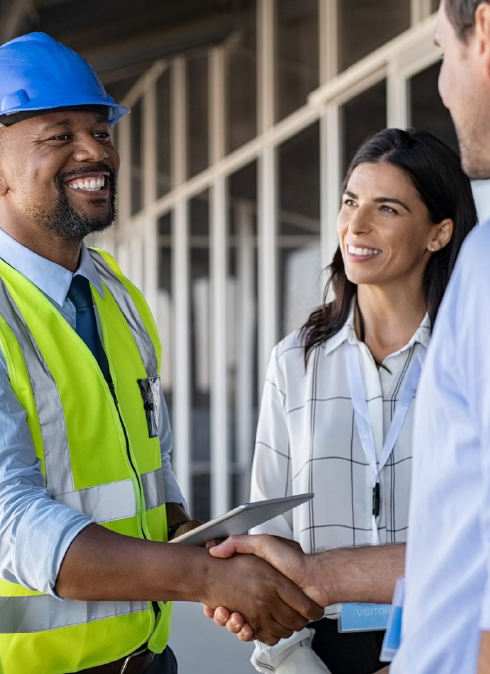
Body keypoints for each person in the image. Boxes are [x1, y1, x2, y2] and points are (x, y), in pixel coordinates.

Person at [0, 32, 324, 674]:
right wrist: (202, 579)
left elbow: (151, 469)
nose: (96, 151)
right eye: (59, 135)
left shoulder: (115, 293)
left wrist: (208, 549)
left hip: (147, 660)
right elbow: (12, 521)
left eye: (101, 130)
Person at [205, 126, 478, 674]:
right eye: (351, 201)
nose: (356, 225)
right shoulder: (294, 362)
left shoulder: (472, 357)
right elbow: (267, 537)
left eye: (387, 208)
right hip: (317, 648)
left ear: (439, 234)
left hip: (449, 642)